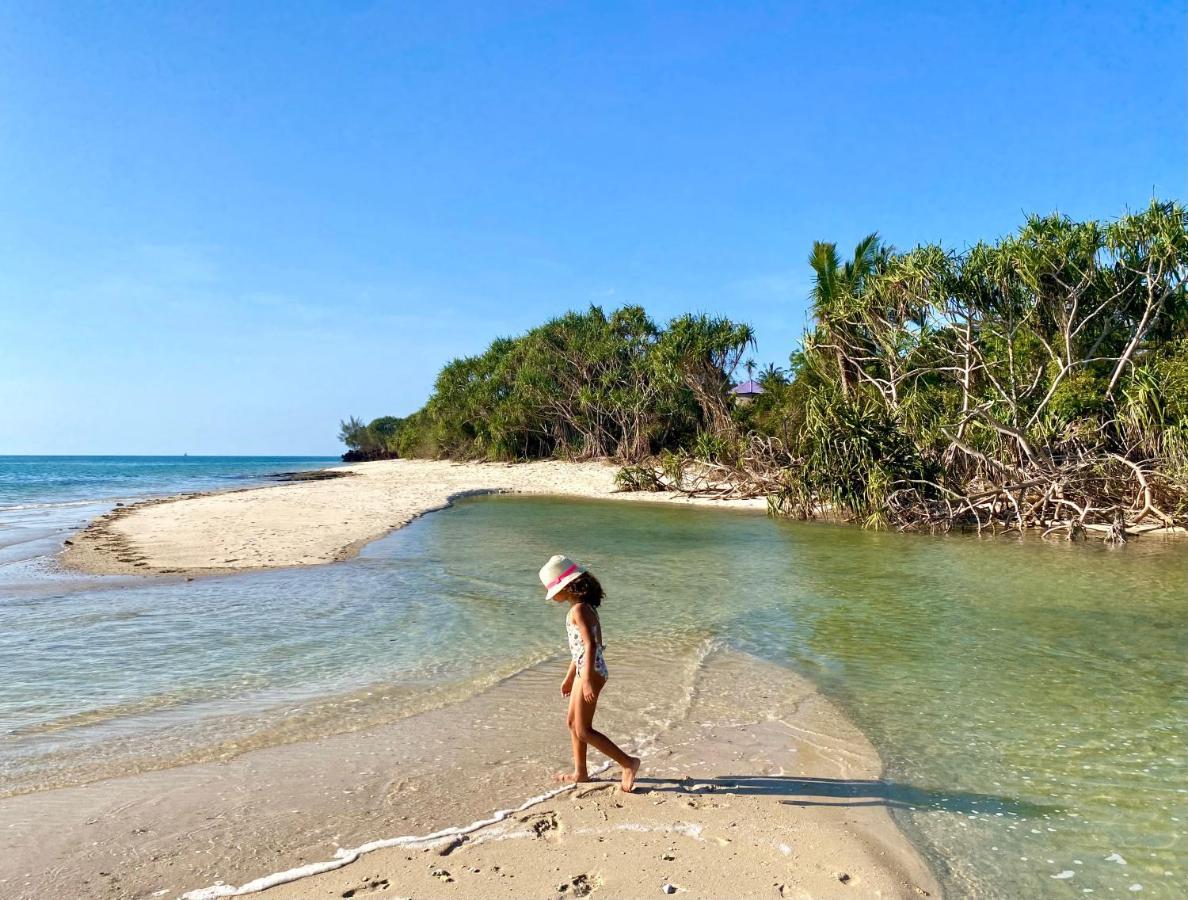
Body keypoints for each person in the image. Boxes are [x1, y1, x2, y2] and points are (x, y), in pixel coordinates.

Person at [539, 554, 641, 792]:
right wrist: (569, 677)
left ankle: (628, 763)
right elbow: (579, 651)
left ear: (566, 586)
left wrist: (585, 681)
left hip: (591, 671)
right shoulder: (583, 607)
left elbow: (590, 646)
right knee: (572, 723)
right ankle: (581, 772)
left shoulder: (579, 610)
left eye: (553, 590)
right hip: (586, 668)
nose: (552, 596)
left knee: (583, 729)